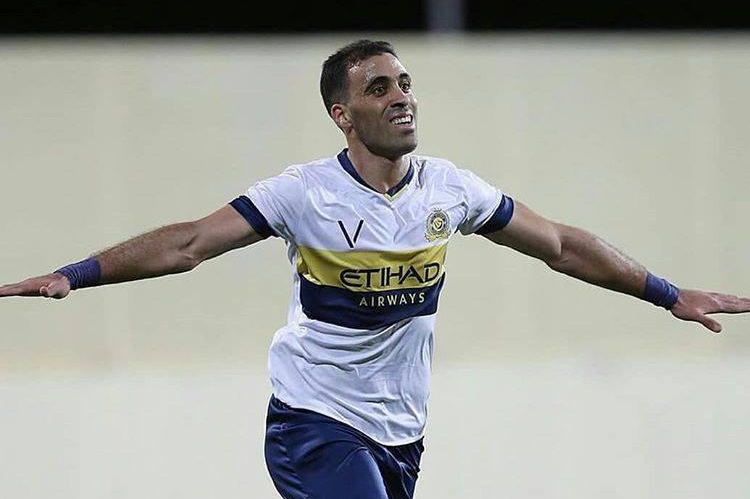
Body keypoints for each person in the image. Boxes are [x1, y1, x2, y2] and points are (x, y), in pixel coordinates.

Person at [1, 39, 749, 499]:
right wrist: (77, 272)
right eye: (379, 88)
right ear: (342, 114)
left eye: (405, 83)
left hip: (401, 434)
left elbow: (558, 244)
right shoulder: (302, 194)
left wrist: (667, 293)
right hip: (314, 423)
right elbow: (190, 242)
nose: (402, 98)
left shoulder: (450, 190)